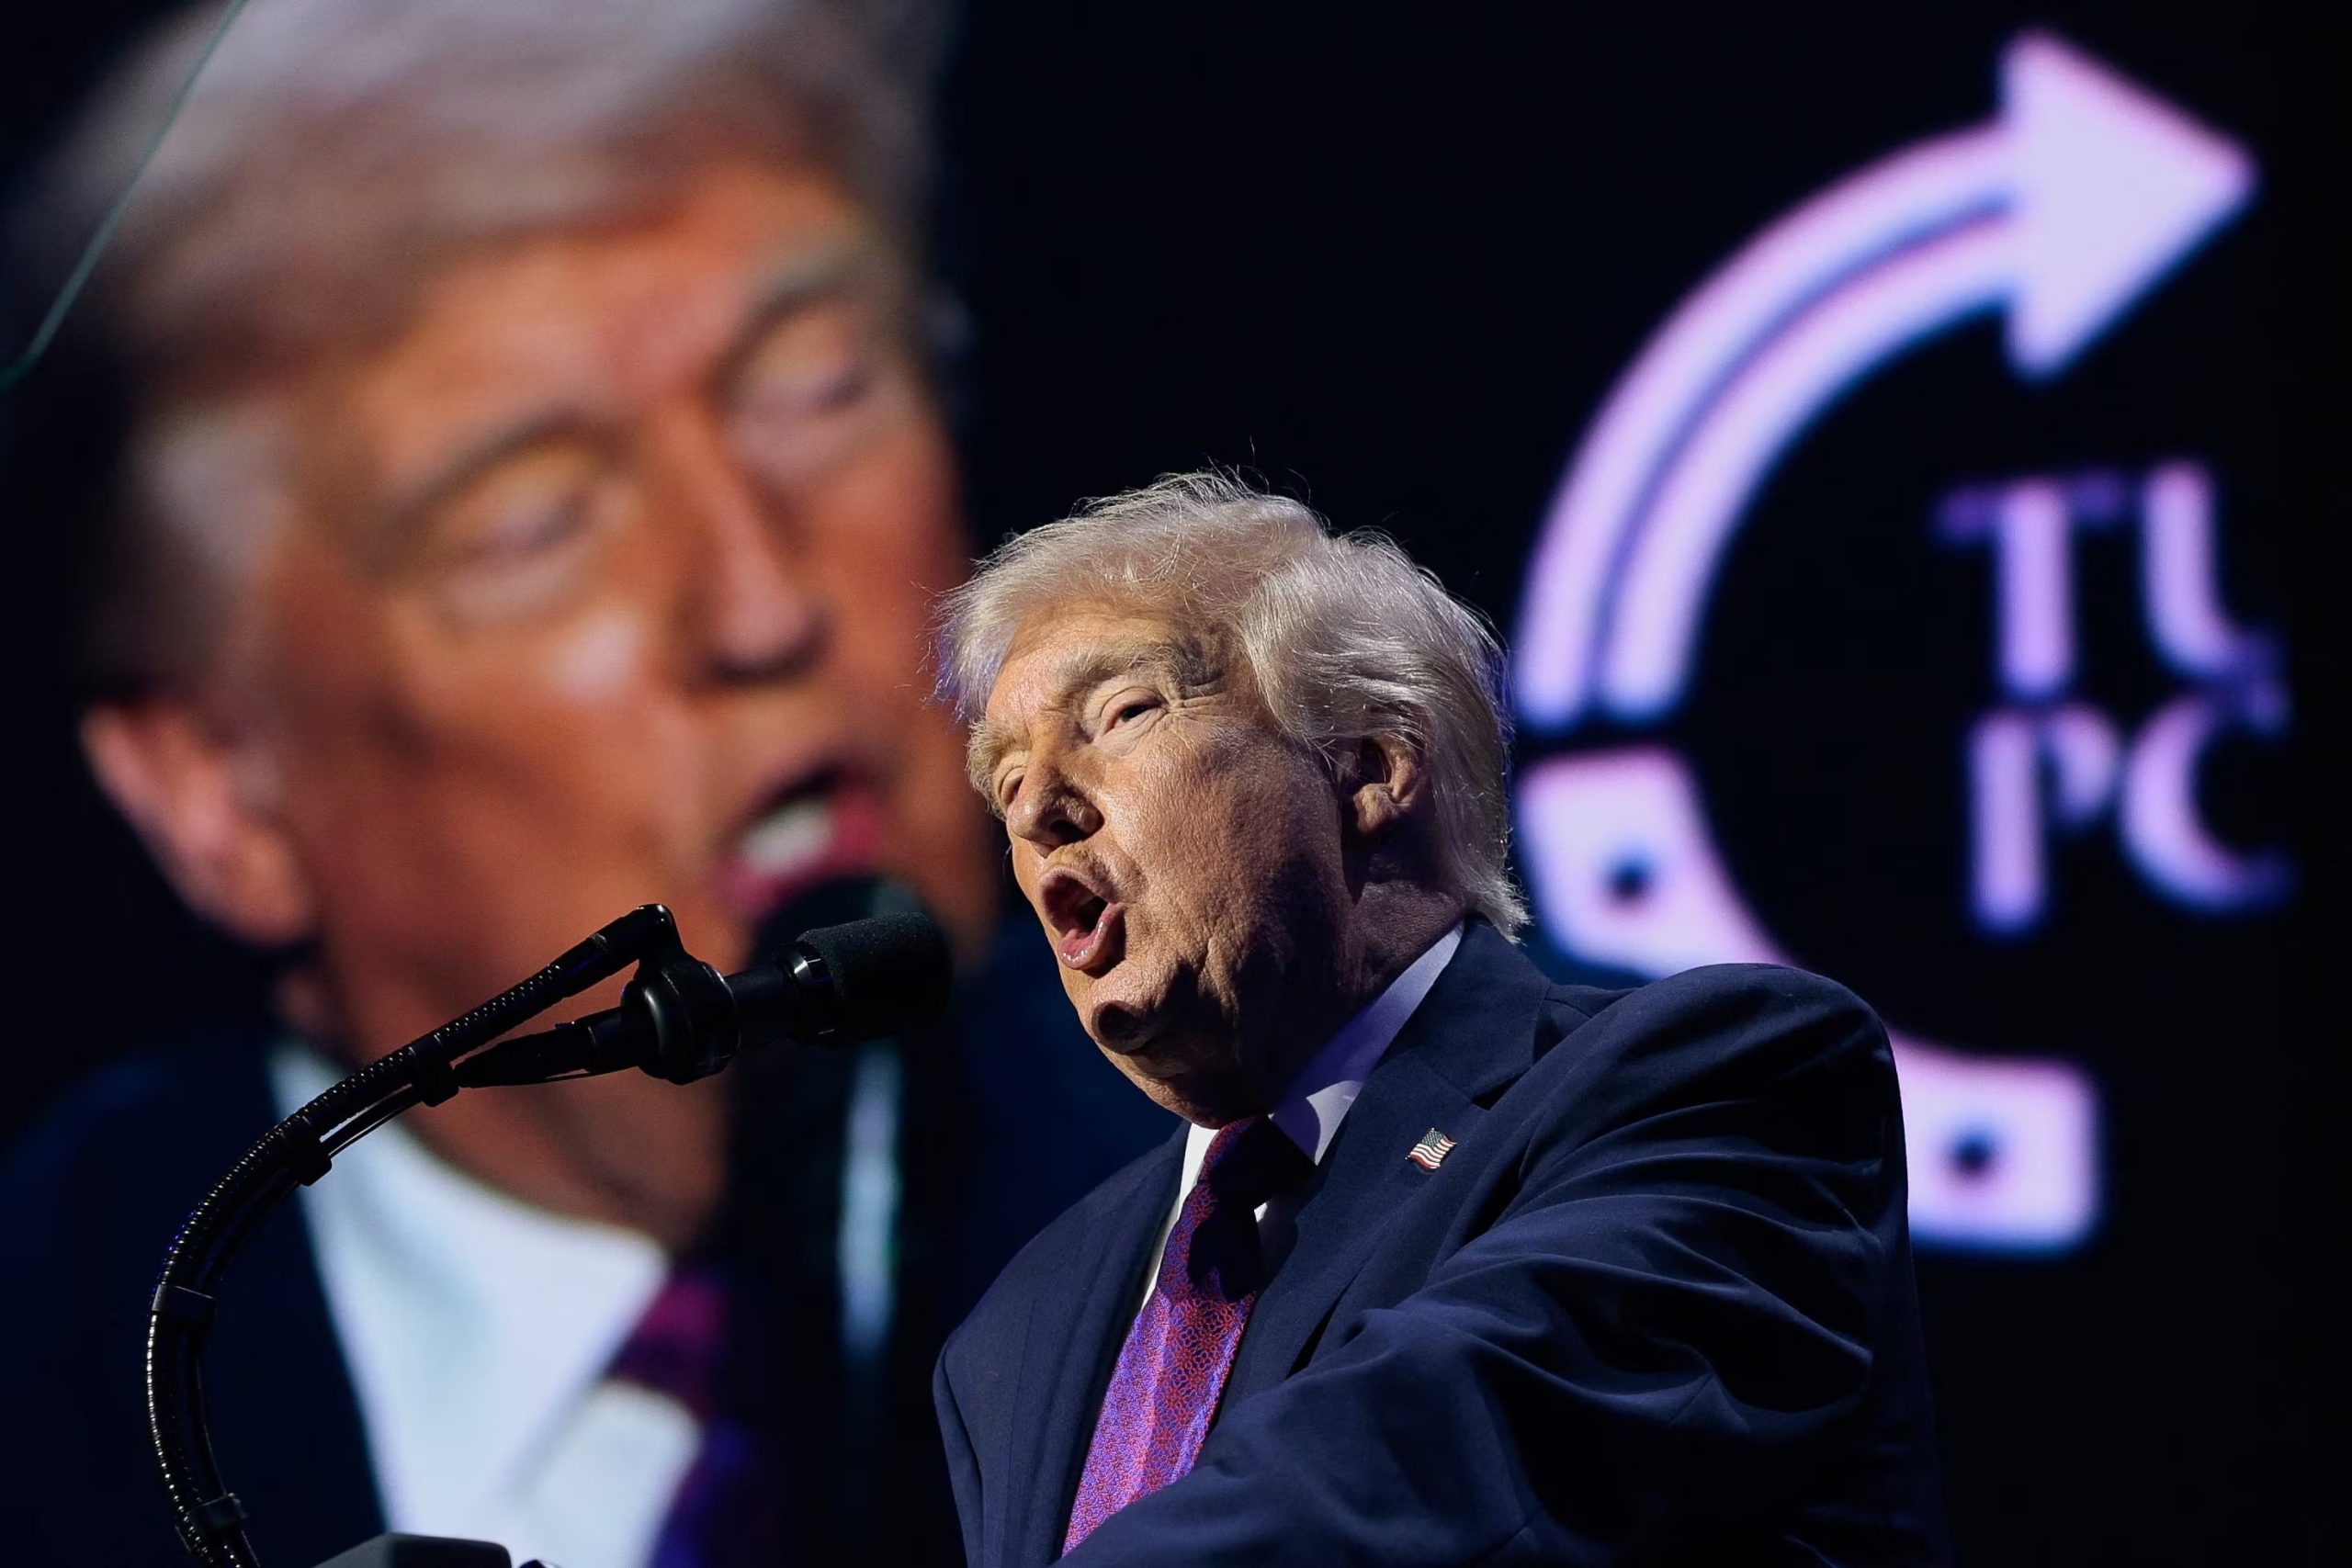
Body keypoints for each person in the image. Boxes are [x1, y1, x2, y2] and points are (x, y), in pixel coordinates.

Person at [0, 3, 1166, 1565]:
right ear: (221, 786)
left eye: (820, 392)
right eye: (536, 521)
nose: (762, 600)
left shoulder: (1357, 1217)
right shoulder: (54, 1392)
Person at [930, 471, 1951, 1565]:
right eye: (1005, 784)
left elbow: (1438, 1454)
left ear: (1367, 767)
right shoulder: (1016, 1333)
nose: (1038, 811)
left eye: (1121, 715)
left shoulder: (1718, 1086)